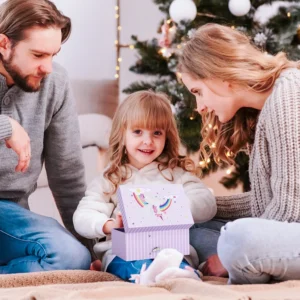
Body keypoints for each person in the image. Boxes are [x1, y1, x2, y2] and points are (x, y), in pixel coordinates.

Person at [178, 22, 300, 284]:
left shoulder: (287, 94)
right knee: (195, 224)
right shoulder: (264, 107)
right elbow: (265, 201)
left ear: (218, 74)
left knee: (237, 239)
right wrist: (196, 207)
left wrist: (226, 256)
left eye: (198, 92)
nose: (199, 107)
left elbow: (290, 210)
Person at [73, 90, 216, 283]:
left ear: (167, 136)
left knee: (178, 267)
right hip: (124, 253)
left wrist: (177, 207)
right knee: (130, 263)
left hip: (171, 251)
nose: (148, 141)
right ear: (122, 134)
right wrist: (109, 225)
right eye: (138, 132)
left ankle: (179, 277)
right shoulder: (111, 178)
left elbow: (207, 203)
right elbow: (83, 215)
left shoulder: (175, 173)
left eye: (157, 133)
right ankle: (149, 278)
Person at [0, 0, 91, 274]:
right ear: (4, 44)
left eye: (53, 55)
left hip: (11, 217)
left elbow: (68, 176)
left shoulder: (56, 83)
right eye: (38, 55)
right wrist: (6, 126)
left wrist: (89, 245)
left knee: (72, 258)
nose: (48, 67)